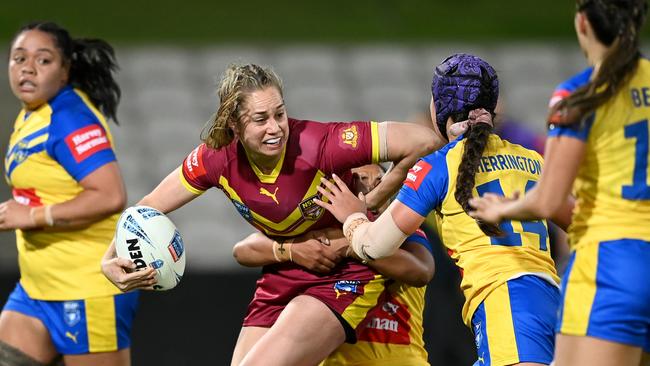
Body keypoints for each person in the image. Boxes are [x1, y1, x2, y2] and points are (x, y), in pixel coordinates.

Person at [100, 63, 449, 366]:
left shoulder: (320, 143)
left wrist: (372, 201)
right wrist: (109, 259)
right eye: (261, 119)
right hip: (283, 273)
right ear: (234, 125)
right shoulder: (215, 159)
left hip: (343, 272)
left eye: (279, 114)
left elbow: (424, 141)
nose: (276, 127)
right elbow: (145, 209)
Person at [316, 54, 564, 366]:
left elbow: (374, 246)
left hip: (507, 305)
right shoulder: (533, 160)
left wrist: (352, 215)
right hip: (551, 302)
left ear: (438, 108)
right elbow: (578, 221)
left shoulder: (438, 167)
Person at [468, 1, 650, 365]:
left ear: (582, 23)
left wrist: (504, 206)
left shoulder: (580, 94)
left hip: (610, 262)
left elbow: (548, 201)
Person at [0, 22, 137, 366]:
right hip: (36, 290)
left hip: (87, 290)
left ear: (65, 71)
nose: (27, 67)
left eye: (43, 60)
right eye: (18, 58)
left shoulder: (70, 118)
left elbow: (109, 195)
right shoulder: (33, 114)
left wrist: (31, 216)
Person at [232, 164, 435, 366]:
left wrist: (354, 243)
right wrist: (292, 250)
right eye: (362, 178)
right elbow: (242, 250)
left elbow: (421, 271)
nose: (373, 187)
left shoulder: (402, 232)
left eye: (380, 180)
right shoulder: (319, 228)